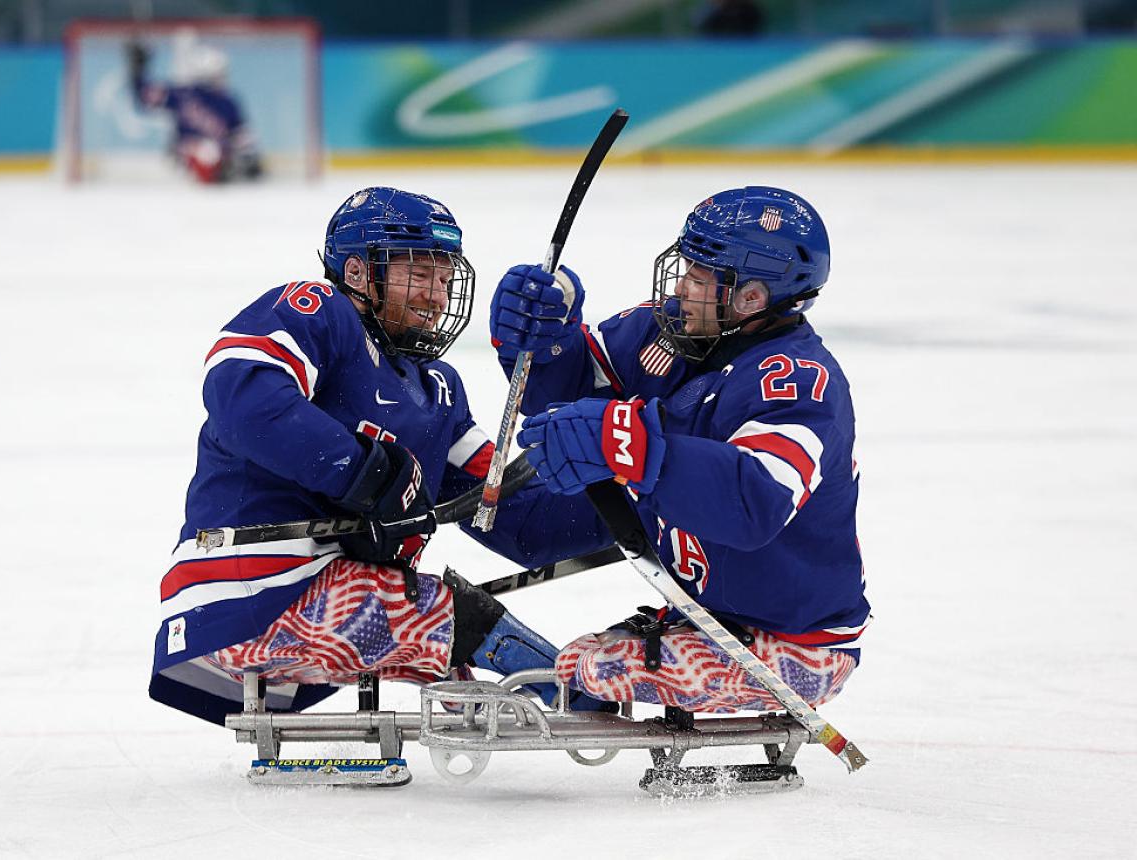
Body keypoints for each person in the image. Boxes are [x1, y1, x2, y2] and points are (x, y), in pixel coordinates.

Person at [150, 187, 611, 725]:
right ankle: (578, 696)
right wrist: (366, 475)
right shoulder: (320, 312)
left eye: (444, 278)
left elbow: (523, 521)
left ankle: (558, 691)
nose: (437, 296)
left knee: (455, 622)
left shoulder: (438, 390)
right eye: (419, 273)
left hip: (331, 598)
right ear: (357, 272)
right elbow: (242, 394)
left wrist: (641, 500)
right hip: (245, 595)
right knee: (461, 620)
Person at [488, 186, 871, 713]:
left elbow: (753, 503)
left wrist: (631, 446)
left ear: (752, 298)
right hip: (709, 614)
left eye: (699, 277)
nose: (681, 287)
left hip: (795, 643)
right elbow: (564, 393)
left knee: (592, 666)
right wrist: (544, 339)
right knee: (531, 549)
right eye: (686, 267)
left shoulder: (800, 382)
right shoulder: (673, 328)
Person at [126, 41, 262, 184]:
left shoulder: (229, 101)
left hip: (219, 162)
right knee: (205, 151)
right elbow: (145, 97)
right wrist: (137, 72)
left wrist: (249, 160)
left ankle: (219, 173)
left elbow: (242, 135)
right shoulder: (184, 94)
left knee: (211, 151)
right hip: (184, 158)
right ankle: (211, 172)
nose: (223, 78)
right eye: (220, 73)